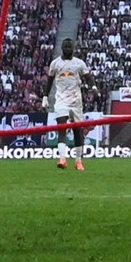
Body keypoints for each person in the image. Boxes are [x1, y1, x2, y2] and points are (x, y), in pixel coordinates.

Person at [43, 38, 92, 171]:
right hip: (61, 100)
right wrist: (45, 96)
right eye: (66, 47)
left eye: (70, 48)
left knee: (77, 131)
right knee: (62, 127)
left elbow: (88, 77)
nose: (68, 50)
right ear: (62, 48)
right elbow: (50, 80)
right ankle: (62, 159)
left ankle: (78, 161)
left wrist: (93, 88)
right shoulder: (55, 64)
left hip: (76, 100)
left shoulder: (79, 63)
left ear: (73, 49)